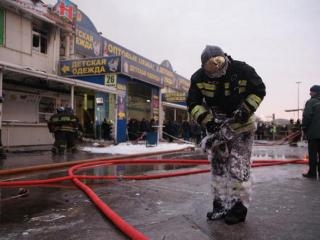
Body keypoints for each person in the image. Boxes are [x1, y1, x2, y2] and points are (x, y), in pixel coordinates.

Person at [186, 45, 266, 225]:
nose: (217, 72)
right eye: (211, 70)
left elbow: (259, 89)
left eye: (219, 65)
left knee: (238, 167)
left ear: (224, 59)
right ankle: (220, 205)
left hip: (242, 125)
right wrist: (208, 121)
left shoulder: (242, 69)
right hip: (218, 127)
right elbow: (193, 103)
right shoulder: (198, 78)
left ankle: (238, 208)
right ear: (204, 67)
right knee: (219, 168)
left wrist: (245, 110)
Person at [301, 85, 320, 179]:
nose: (310, 93)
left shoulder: (311, 102)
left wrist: (304, 127)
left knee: (313, 154)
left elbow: (307, 116)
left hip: (314, 133)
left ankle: (312, 173)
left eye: (311, 91)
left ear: (315, 92)